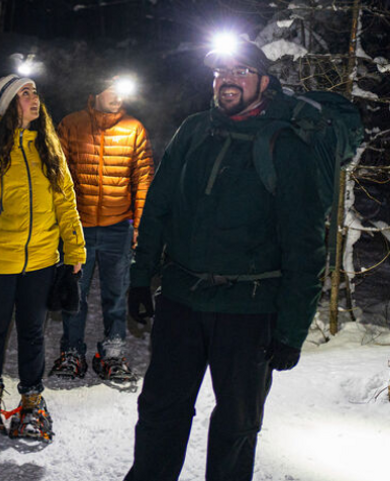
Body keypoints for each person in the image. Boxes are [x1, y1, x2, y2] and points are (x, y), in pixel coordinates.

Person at [124, 41, 327, 480]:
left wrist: (291, 329)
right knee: (160, 410)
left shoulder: (285, 147)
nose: (227, 80)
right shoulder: (194, 130)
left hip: (248, 310)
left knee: (237, 423)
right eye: (220, 73)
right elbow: (157, 207)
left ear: (264, 83)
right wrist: (141, 279)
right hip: (181, 300)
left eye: (241, 71)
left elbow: (304, 244)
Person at [0, 74, 86, 440]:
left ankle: (31, 401)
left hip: (42, 259)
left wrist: (74, 249)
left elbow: (65, 201)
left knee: (32, 332)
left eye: (35, 92)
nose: (33, 98)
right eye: (25, 93)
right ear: (10, 104)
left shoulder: (48, 146)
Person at [50, 75, 153, 381]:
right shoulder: (71, 124)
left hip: (118, 227)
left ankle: (113, 353)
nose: (118, 96)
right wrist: (61, 223)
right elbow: (58, 174)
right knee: (74, 293)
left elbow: (143, 179)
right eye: (112, 88)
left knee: (117, 294)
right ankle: (71, 353)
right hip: (77, 228)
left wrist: (140, 225)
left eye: (123, 90)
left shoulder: (134, 128)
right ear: (94, 91)